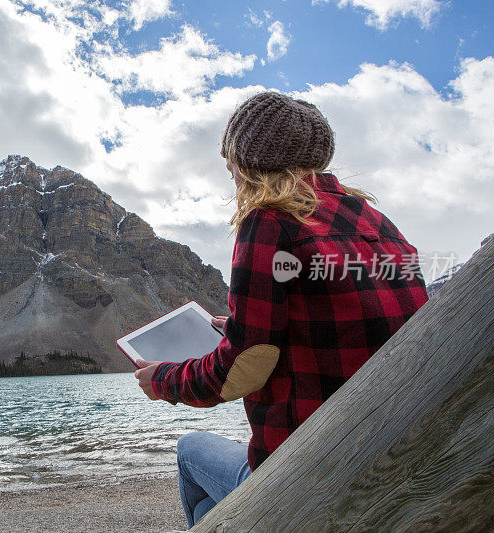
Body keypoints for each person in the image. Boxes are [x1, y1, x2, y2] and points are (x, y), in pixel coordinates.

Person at [133, 91, 429, 529]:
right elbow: (342, 320)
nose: (230, 175)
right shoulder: (374, 220)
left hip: (310, 467)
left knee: (190, 451)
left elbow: (239, 372)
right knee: (210, 513)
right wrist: (238, 327)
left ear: (248, 161)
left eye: (230, 163)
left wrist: (160, 378)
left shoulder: (269, 221)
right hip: (391, 449)